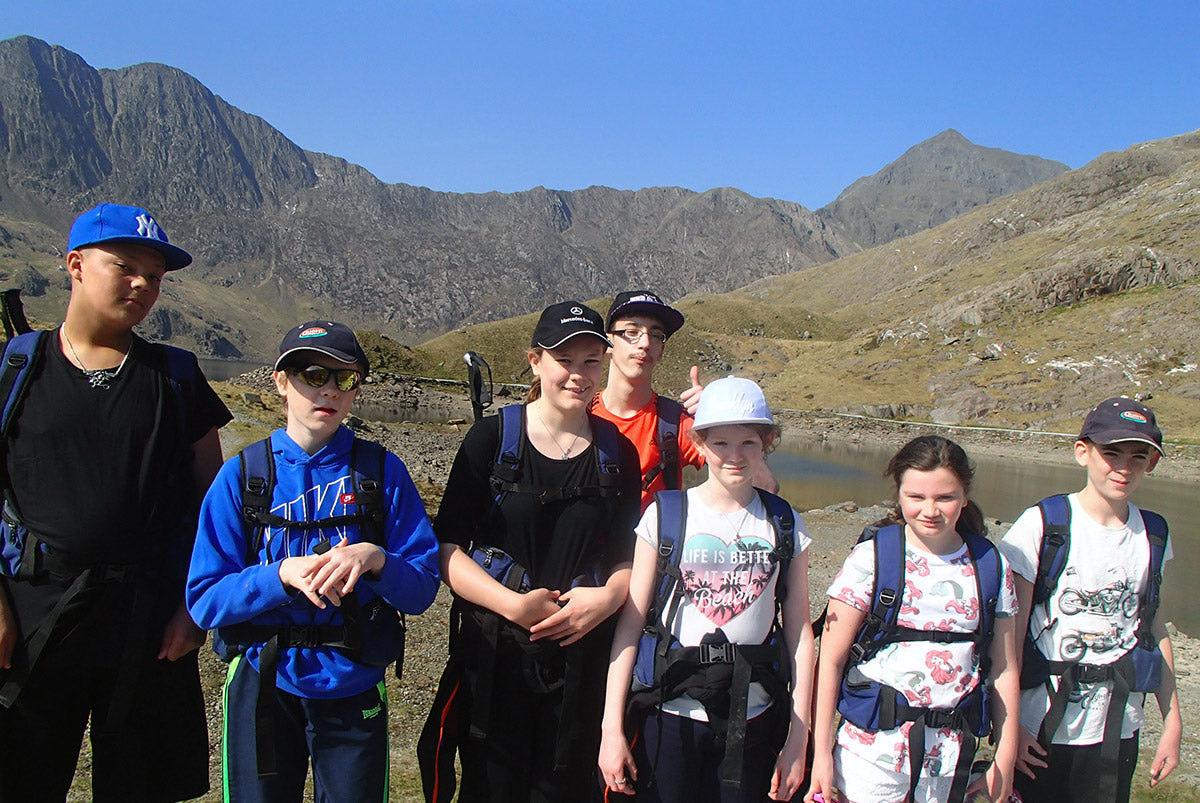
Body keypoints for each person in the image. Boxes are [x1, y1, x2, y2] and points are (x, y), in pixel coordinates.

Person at [0, 203, 232, 801]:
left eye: (154, 277)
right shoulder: (16, 369)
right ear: (76, 265)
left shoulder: (176, 378)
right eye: (124, 266)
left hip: (148, 624)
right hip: (32, 621)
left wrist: (193, 611)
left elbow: (214, 511)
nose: (141, 285)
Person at [186, 320, 440, 802]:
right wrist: (278, 576)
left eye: (345, 379)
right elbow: (204, 601)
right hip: (262, 682)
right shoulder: (242, 476)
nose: (329, 390)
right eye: (312, 374)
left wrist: (377, 558)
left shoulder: (382, 473)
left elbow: (424, 587)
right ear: (280, 381)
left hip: (354, 679)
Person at [418, 301, 642, 802]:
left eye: (591, 361)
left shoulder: (617, 454)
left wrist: (607, 599)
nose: (579, 375)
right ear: (536, 361)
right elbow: (447, 548)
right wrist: (512, 605)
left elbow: (630, 552)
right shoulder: (490, 440)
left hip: (581, 665)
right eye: (565, 359)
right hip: (494, 660)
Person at [600, 376, 814, 802]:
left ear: (766, 443)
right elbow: (631, 623)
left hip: (753, 717)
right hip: (669, 714)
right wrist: (611, 730)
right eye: (720, 443)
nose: (735, 456)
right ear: (699, 442)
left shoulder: (785, 524)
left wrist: (798, 736)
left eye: (749, 443)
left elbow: (801, 633)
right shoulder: (666, 516)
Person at [808, 435, 1021, 803]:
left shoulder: (991, 565)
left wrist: (1005, 755)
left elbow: (1004, 669)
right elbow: (830, 659)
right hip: (870, 758)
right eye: (916, 497)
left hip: (952, 760)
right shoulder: (871, 558)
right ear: (899, 493)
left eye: (945, 498)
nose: (930, 510)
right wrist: (821, 754)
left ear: (965, 496)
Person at [999, 397, 1182, 802]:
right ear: (1083, 452)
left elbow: (1153, 627)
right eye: (1111, 452)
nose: (1123, 466)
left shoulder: (1154, 535)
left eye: (1139, 455)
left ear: (1151, 463)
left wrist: (1172, 722)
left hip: (1118, 728)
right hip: (1041, 727)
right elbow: (1008, 635)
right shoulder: (1044, 524)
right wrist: (1009, 728)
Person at [590, 290, 777, 511]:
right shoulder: (580, 415)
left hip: (659, 545)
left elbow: (764, 484)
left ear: (661, 350)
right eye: (632, 331)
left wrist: (721, 419)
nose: (645, 343)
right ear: (609, 343)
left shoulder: (675, 424)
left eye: (656, 335)